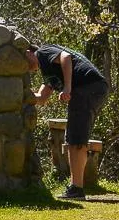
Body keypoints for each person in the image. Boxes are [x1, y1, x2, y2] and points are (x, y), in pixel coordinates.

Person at [25, 41, 109, 200]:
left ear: (29, 52)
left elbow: (65, 56)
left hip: (86, 86)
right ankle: (76, 187)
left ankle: (76, 189)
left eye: (23, 59)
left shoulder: (42, 52)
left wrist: (67, 88)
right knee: (76, 137)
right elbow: (41, 98)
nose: (25, 67)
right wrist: (22, 94)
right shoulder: (48, 71)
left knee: (75, 138)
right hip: (93, 87)